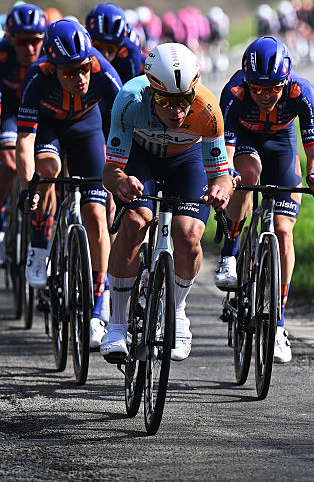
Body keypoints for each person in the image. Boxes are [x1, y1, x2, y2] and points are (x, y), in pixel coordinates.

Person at [99, 43, 234, 363]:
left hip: (186, 163)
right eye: (165, 101)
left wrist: (221, 191)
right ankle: (117, 324)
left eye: (184, 100)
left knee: (187, 235)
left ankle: (178, 312)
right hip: (141, 160)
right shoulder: (130, 99)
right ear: (150, 91)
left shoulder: (207, 109)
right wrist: (120, 182)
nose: (177, 111)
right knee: (133, 222)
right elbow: (109, 169)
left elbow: (221, 175)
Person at [214, 36, 314, 364]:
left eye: (273, 89)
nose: (265, 96)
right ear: (246, 81)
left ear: (286, 81)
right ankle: (230, 253)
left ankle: (278, 324)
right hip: (245, 144)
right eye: (258, 89)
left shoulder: (300, 92)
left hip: (281, 144)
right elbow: (228, 151)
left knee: (282, 231)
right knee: (248, 173)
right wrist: (227, 178)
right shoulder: (234, 93)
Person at [16, 19, 123, 348]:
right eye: (69, 72)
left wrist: (118, 183)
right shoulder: (37, 76)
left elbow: (123, 133)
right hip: (49, 129)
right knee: (47, 168)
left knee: (95, 213)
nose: (79, 78)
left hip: (87, 129)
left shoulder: (104, 73)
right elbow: (24, 141)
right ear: (52, 67)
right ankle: (38, 244)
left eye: (83, 69)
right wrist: (28, 189)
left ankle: (97, 306)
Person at [0, 3, 48, 265]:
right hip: (11, 112)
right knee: (8, 163)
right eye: (22, 42)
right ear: (10, 39)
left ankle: (47, 235)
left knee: (49, 168)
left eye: (35, 41)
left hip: (43, 114)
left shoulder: (50, 57)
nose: (29, 48)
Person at [84, 2, 145, 85]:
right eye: (98, 47)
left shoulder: (130, 50)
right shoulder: (83, 37)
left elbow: (130, 90)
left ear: (120, 48)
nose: (104, 54)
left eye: (110, 49)